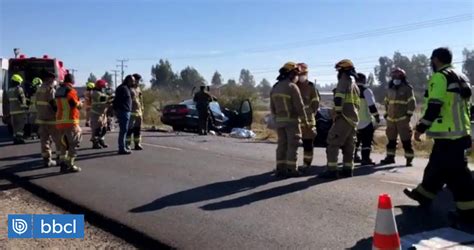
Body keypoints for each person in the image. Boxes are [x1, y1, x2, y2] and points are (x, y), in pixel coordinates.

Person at [404, 47, 474, 224]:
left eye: (431, 60)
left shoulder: (440, 77)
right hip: (459, 132)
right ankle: (423, 195)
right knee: (437, 166)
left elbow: (435, 105)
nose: (431, 63)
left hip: (449, 134)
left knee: (457, 175)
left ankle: (468, 212)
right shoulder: (461, 76)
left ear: (436, 59)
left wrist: (420, 127)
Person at [321, 59, 360, 179]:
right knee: (349, 146)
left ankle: (332, 170)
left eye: (338, 70)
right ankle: (348, 169)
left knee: (333, 143)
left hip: (343, 117)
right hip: (352, 119)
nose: (337, 73)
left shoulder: (343, 81)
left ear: (343, 71)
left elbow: (339, 99)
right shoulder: (355, 85)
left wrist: (337, 112)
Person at [270, 62, 309, 178]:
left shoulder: (275, 87)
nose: (297, 76)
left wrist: (277, 118)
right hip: (291, 121)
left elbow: (272, 107)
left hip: (279, 121)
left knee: (282, 145)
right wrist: (305, 121)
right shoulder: (292, 87)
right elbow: (299, 106)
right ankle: (292, 169)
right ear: (291, 74)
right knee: (293, 144)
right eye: (296, 74)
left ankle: (280, 169)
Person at [380, 68, 416, 167]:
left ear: (402, 77)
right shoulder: (390, 89)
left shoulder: (407, 88)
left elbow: (412, 103)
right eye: (394, 76)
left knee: (406, 141)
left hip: (402, 120)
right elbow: (386, 103)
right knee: (391, 141)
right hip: (391, 120)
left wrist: (408, 116)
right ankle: (390, 158)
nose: (396, 78)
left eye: (398, 76)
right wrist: (386, 114)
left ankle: (409, 159)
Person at [55, 73, 82, 173]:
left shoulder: (58, 91)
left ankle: (62, 163)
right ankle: (70, 165)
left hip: (59, 121)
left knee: (63, 144)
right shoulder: (71, 91)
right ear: (72, 81)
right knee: (74, 143)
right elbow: (74, 104)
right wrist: (80, 104)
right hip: (70, 121)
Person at [295, 63, 319, 172]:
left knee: (308, 143)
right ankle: (291, 164)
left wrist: (312, 112)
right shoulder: (294, 85)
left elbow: (316, 102)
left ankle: (307, 163)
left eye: (304, 74)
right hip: (296, 119)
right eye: (300, 74)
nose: (302, 76)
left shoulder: (311, 86)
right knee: (292, 143)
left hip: (308, 120)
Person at [353, 73, 380, 166]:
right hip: (365, 121)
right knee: (366, 142)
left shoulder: (350, 90)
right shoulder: (366, 91)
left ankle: (353, 157)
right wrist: (377, 117)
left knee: (355, 141)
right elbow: (371, 105)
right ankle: (365, 159)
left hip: (353, 121)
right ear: (364, 81)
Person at [36, 71, 60, 167]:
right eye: (53, 79)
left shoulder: (39, 89)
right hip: (51, 119)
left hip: (41, 118)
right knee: (58, 139)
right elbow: (53, 103)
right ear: (49, 79)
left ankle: (47, 160)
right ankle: (60, 159)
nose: (54, 81)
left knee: (44, 140)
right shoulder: (50, 89)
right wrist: (58, 113)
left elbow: (37, 103)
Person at [113, 75, 134, 155]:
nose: (134, 82)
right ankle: (121, 148)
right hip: (123, 111)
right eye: (132, 80)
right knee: (123, 130)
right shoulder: (122, 88)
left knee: (125, 130)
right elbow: (117, 101)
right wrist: (117, 111)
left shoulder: (127, 88)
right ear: (128, 80)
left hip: (126, 111)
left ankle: (123, 146)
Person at [5, 74, 28, 144]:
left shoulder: (9, 90)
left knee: (14, 127)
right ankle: (19, 139)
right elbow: (21, 100)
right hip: (20, 111)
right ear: (18, 82)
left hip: (12, 111)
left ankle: (15, 139)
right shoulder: (19, 89)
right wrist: (25, 107)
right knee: (20, 126)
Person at [90, 79, 111, 149]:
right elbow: (103, 99)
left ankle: (101, 140)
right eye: (104, 86)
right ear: (100, 87)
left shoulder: (101, 93)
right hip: (96, 114)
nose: (105, 88)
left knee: (104, 128)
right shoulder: (96, 93)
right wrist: (111, 97)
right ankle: (95, 143)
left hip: (102, 113)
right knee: (97, 129)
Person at [126, 73, 144, 150]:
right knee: (130, 129)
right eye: (136, 80)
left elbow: (140, 100)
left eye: (138, 81)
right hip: (131, 112)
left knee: (138, 129)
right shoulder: (129, 89)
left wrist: (142, 109)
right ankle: (127, 144)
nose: (138, 82)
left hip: (139, 112)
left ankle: (137, 144)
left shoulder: (138, 89)